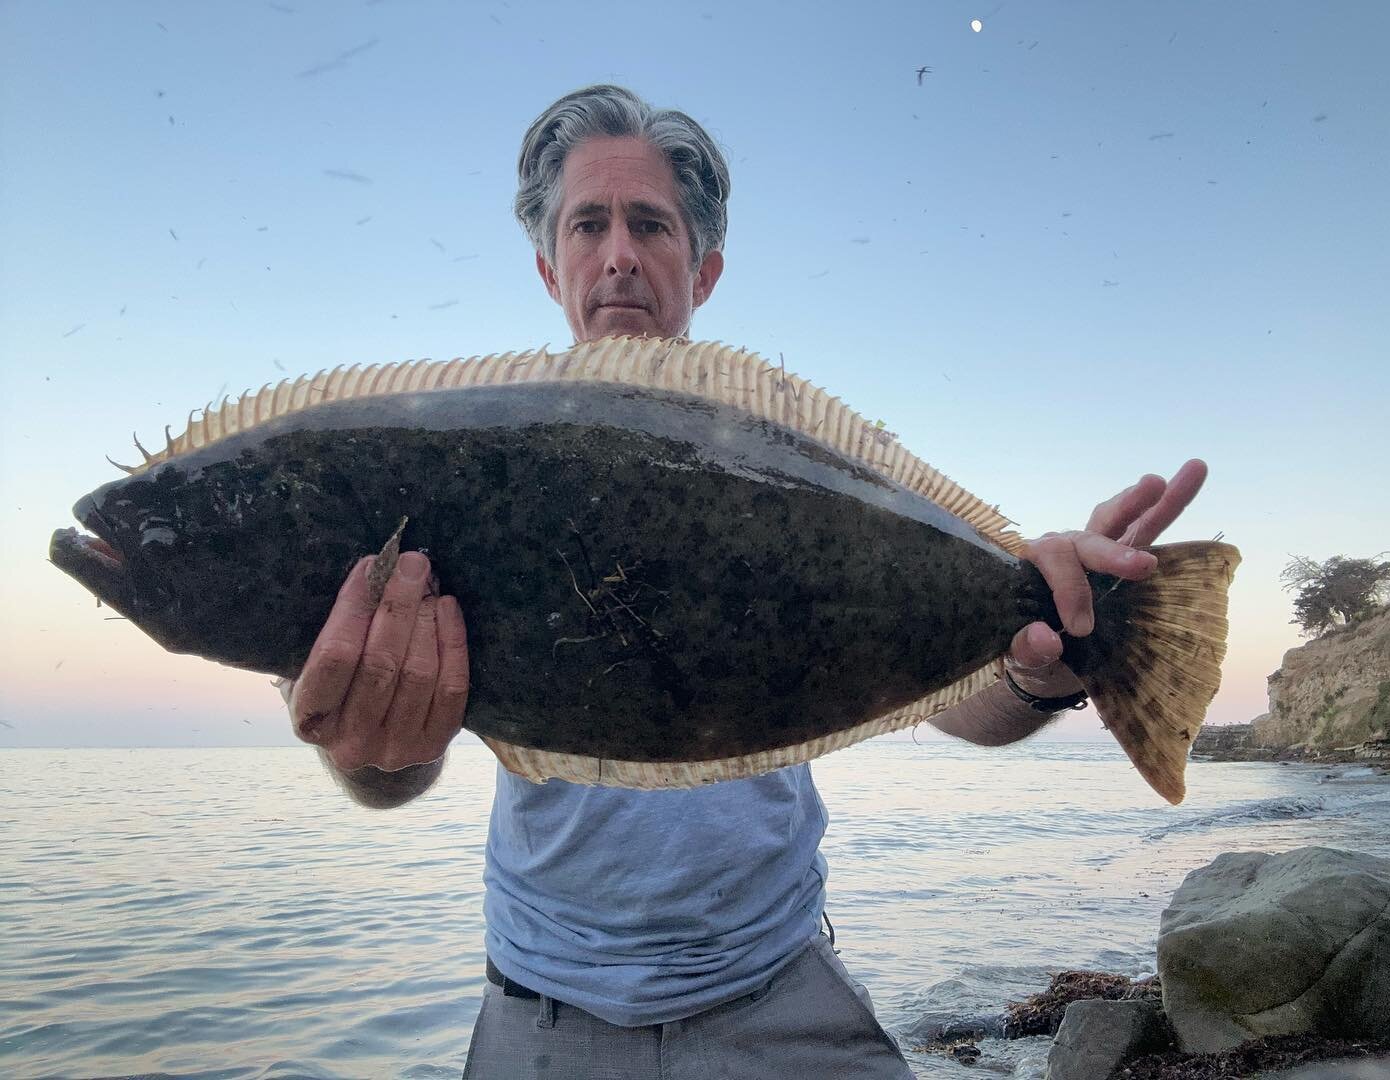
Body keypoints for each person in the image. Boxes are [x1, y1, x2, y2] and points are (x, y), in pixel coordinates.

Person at [282, 85, 1207, 1079]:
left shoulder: (805, 465)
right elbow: (397, 768)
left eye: (650, 224)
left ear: (705, 267)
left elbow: (957, 707)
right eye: (587, 225)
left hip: (780, 996)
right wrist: (366, 746)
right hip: (542, 1016)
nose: (619, 254)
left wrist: (1053, 654)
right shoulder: (474, 472)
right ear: (550, 267)